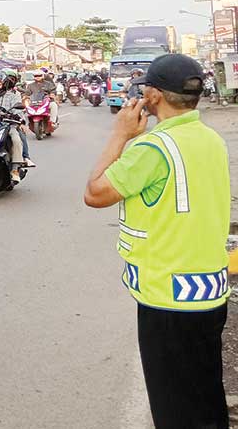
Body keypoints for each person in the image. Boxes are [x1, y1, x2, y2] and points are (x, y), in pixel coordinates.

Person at [83, 54, 230, 429]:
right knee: (205, 399)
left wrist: (120, 135)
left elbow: (95, 193)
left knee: (176, 412)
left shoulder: (153, 149)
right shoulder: (210, 138)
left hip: (168, 300)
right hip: (209, 291)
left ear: (153, 95)